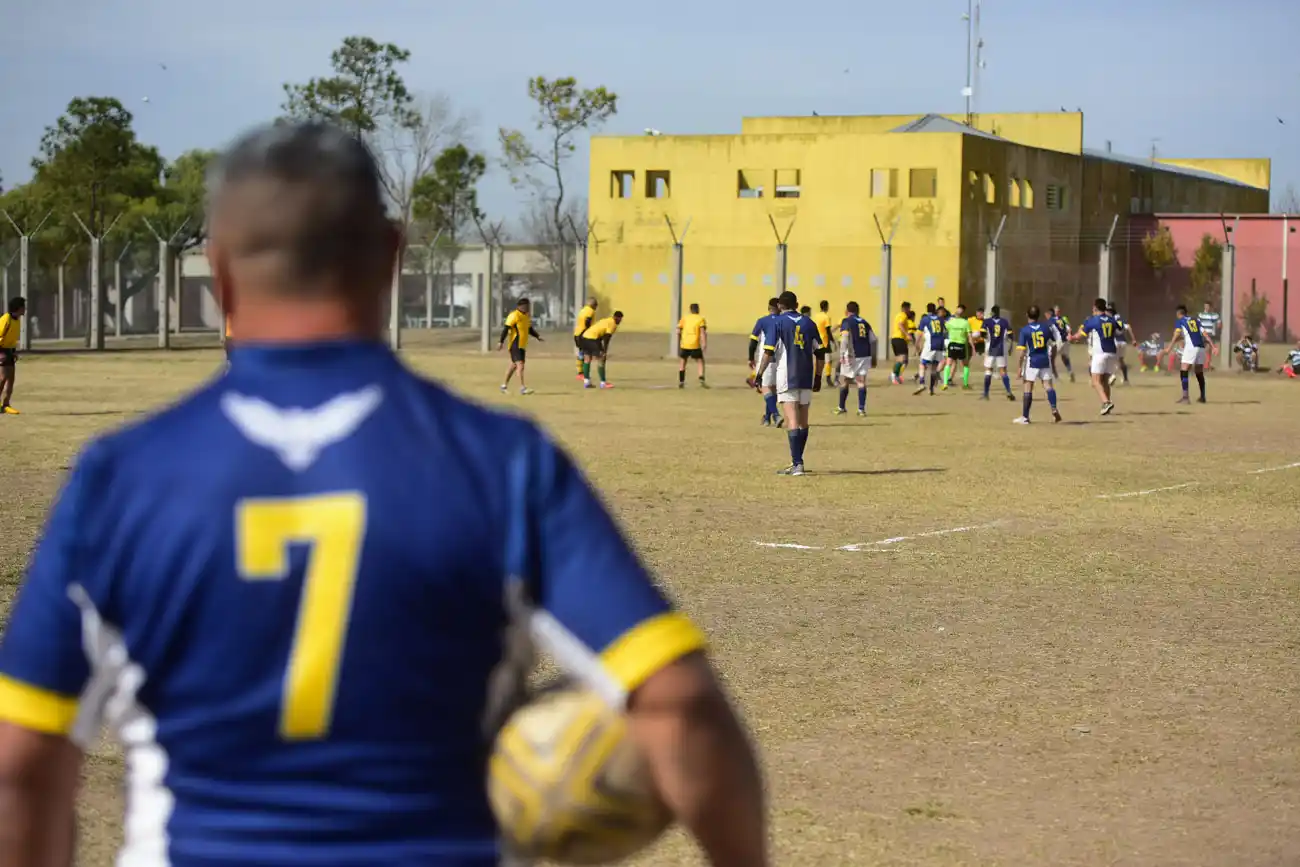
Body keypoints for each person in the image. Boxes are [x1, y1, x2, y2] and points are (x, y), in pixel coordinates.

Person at [0, 121, 769, 867]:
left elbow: (20, 765)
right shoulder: (500, 464)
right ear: (393, 255)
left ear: (220, 271)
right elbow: (678, 704)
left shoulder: (121, 478)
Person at [754, 291, 819, 475]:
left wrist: (759, 374)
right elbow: (820, 352)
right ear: (797, 304)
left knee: (792, 419)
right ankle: (798, 461)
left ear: (780, 306)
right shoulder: (809, 323)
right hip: (806, 376)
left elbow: (768, 351)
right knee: (803, 420)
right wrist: (819, 377)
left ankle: (797, 463)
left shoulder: (778, 323)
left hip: (786, 376)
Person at [1014, 305, 1062, 424]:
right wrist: (1052, 357)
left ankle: (1025, 417)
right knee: (1048, 386)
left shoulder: (1025, 330)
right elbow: (1054, 344)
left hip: (1032, 361)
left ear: (1027, 315)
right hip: (1045, 360)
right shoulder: (1046, 328)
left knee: (1028, 387)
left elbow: (1021, 352)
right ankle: (1054, 408)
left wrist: (1019, 367)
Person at [1072, 299, 1118, 416]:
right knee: (1105, 381)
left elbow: (1079, 336)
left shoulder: (1093, 321)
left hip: (1100, 353)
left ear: (1095, 308)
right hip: (1112, 353)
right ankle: (1107, 406)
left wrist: (1071, 337)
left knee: (1095, 381)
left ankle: (1106, 402)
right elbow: (1120, 328)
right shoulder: (1112, 320)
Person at [1163, 303, 1212, 404]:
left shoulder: (1180, 321)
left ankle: (1185, 397)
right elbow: (1205, 333)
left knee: (1184, 369)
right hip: (1201, 347)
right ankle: (1202, 396)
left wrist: (1169, 347)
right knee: (1199, 372)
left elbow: (1176, 335)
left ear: (1178, 313)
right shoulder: (1196, 320)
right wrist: (1213, 345)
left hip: (1191, 347)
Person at [834, 301, 875, 417]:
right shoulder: (865, 322)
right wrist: (874, 356)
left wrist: (842, 354)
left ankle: (841, 407)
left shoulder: (846, 321)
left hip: (852, 354)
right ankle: (861, 409)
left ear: (846, 311)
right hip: (865, 355)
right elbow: (873, 339)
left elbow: (845, 338)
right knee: (861, 381)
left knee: (845, 380)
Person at [748, 298, 781, 425]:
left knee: (765, 387)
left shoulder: (762, 321)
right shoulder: (784, 321)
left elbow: (753, 342)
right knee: (774, 389)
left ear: (769, 308)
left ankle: (776, 415)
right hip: (780, 359)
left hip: (765, 359)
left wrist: (750, 358)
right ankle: (767, 418)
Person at [498, 297, 542, 395]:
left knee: (513, 365)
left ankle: (503, 386)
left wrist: (537, 336)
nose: (528, 308)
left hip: (522, 345)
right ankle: (522, 388)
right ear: (522, 306)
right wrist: (500, 341)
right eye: (527, 306)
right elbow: (506, 328)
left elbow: (529, 329)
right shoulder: (514, 315)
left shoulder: (526, 316)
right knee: (520, 365)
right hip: (515, 344)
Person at [979, 304, 1016, 401]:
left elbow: (982, 333)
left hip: (989, 349)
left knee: (988, 370)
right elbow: (1011, 335)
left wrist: (985, 339)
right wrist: (1011, 347)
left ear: (992, 312)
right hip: (1001, 349)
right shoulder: (1004, 322)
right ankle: (1008, 391)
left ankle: (986, 393)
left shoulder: (987, 322)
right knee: (1003, 371)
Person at [580, 311, 623, 389]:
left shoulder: (606, 320)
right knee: (601, 359)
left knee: (587, 359)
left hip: (584, 337)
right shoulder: (612, 324)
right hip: (592, 339)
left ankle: (587, 382)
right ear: (616, 318)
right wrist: (604, 351)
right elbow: (607, 338)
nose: (620, 321)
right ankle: (603, 383)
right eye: (620, 319)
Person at [913, 303, 946, 396]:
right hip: (940, 345)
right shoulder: (941, 319)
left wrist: (916, 346)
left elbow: (919, 334)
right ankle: (931, 389)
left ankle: (922, 383)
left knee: (922, 364)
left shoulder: (925, 319)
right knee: (934, 367)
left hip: (930, 345)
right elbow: (944, 332)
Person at [0, 296, 25, 415]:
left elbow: (13, 338)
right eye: (23, 307)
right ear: (19, 308)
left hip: (9, 350)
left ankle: (6, 404)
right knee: (3, 377)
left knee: (11, 379)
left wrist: (14, 351)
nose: (25, 309)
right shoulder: (6, 319)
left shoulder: (17, 319)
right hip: (2, 350)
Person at [676, 302, 708, 388]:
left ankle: (681, 381)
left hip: (685, 344)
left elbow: (678, 331)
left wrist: (680, 341)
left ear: (690, 310)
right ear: (698, 309)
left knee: (683, 362)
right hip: (695, 344)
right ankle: (701, 378)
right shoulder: (700, 319)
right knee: (700, 361)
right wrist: (704, 343)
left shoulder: (684, 318)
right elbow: (702, 333)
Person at [1107, 303, 1137, 385]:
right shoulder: (1119, 318)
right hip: (1123, 342)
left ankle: (1112, 376)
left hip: (1115, 342)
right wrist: (1133, 340)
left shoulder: (1109, 319)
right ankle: (1126, 380)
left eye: (1108, 311)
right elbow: (1129, 327)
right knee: (1121, 360)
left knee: (1110, 360)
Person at [812, 299, 836, 388]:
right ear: (827, 307)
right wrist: (833, 341)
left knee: (818, 360)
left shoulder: (815, 316)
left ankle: (816, 379)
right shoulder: (826, 317)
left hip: (816, 341)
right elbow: (828, 331)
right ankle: (828, 379)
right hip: (824, 341)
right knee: (828, 360)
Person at [1048, 305, 1075, 382]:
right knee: (1064, 357)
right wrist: (1070, 335)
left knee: (1051, 358)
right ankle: (1070, 372)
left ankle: (1055, 377)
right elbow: (1069, 329)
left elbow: (1049, 330)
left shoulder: (1051, 320)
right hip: (1066, 341)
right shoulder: (1064, 319)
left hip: (1058, 341)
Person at [573, 297, 598, 379]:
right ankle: (582, 373)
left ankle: (580, 372)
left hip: (577, 333)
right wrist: (588, 331)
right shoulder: (591, 311)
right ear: (594, 305)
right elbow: (587, 321)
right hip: (583, 334)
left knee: (581, 352)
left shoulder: (583, 310)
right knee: (586, 354)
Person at [890, 301, 914, 385]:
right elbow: (900, 325)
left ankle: (896, 375)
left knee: (900, 359)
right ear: (906, 308)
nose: (909, 310)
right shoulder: (903, 315)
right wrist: (907, 335)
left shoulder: (898, 315)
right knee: (902, 359)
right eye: (909, 308)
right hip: (899, 338)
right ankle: (894, 375)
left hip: (895, 338)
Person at [1197, 301, 1222, 369]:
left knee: (1208, 349)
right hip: (1202, 334)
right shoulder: (1201, 314)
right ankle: (1203, 364)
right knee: (1201, 349)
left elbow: (1219, 323)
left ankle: (1207, 365)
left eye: (1208, 306)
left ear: (1210, 307)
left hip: (1210, 334)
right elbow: (1198, 323)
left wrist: (1219, 326)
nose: (1206, 307)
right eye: (1205, 306)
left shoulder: (1214, 315)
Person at [966, 306, 985, 388]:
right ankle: (965, 373)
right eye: (978, 313)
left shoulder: (985, 322)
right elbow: (966, 329)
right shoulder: (971, 320)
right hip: (971, 340)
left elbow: (985, 334)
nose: (979, 314)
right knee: (967, 358)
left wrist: (979, 339)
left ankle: (991, 371)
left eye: (981, 313)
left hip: (980, 342)